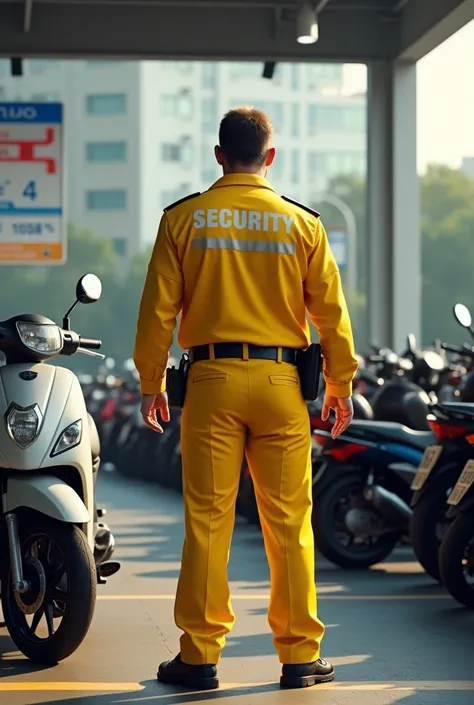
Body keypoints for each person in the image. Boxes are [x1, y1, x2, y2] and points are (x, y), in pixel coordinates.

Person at [133, 106, 358, 691]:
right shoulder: (302, 225)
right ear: (271, 157)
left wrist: (151, 381)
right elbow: (331, 313)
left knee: (208, 523)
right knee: (290, 523)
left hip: (210, 385)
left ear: (218, 155)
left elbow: (158, 311)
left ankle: (200, 657)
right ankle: (300, 656)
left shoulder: (183, 220)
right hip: (284, 387)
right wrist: (341, 384)